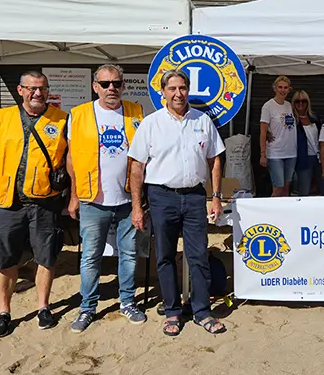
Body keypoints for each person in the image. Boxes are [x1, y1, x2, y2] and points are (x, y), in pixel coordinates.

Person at [127, 69, 227, 336]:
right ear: (163, 93)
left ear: (188, 89)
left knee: (198, 255)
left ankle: (202, 312)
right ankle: (172, 311)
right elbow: (136, 166)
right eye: (172, 89)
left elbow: (215, 159)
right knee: (166, 256)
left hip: (195, 196)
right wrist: (137, 206)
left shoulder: (203, 121)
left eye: (182, 88)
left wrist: (215, 196)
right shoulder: (151, 123)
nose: (178, 94)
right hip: (161, 197)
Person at [0, 71, 68, 339]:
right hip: (8, 202)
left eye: (42, 88)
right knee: (4, 258)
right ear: (20, 90)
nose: (37, 94)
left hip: (45, 203)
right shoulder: (3, 118)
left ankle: (43, 306)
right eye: (31, 88)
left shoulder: (62, 120)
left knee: (46, 256)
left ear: (48, 91)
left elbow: (72, 160)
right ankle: (4, 312)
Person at [66, 64, 146, 333]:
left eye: (116, 83)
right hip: (92, 199)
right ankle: (87, 307)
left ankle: (127, 302)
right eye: (105, 83)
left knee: (129, 255)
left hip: (127, 199)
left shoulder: (136, 112)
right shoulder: (78, 115)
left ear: (123, 85)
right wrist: (75, 195)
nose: (111, 88)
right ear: (95, 86)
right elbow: (72, 159)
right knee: (90, 257)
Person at [260, 76, 296, 197]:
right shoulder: (268, 106)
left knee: (286, 188)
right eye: (280, 87)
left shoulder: (289, 105)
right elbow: (263, 132)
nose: (283, 90)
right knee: (278, 188)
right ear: (275, 88)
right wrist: (263, 154)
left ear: (289, 90)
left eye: (285, 88)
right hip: (275, 153)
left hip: (291, 153)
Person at [292, 89, 322, 196]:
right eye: (297, 101)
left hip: (319, 159)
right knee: (304, 190)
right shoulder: (291, 120)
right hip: (303, 159)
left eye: (303, 101)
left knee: (322, 189)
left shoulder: (314, 118)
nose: (300, 103)